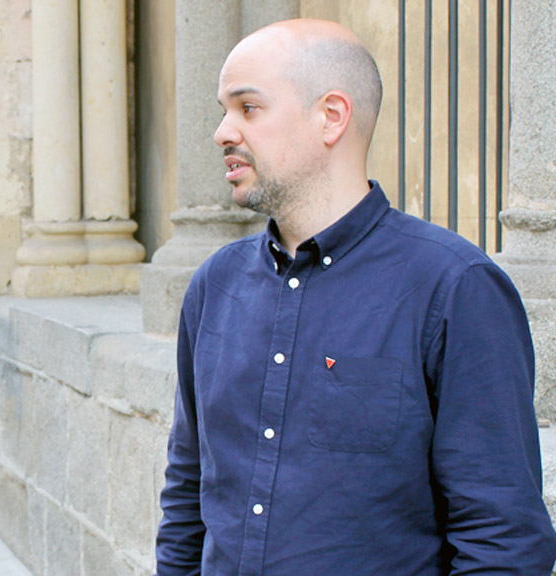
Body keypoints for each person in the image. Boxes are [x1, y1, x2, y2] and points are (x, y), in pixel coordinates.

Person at [156, 19, 556, 575]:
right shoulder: (214, 286)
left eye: (248, 108)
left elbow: (501, 534)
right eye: (224, 110)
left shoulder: (455, 287)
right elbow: (188, 493)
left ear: (332, 117)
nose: (223, 131)